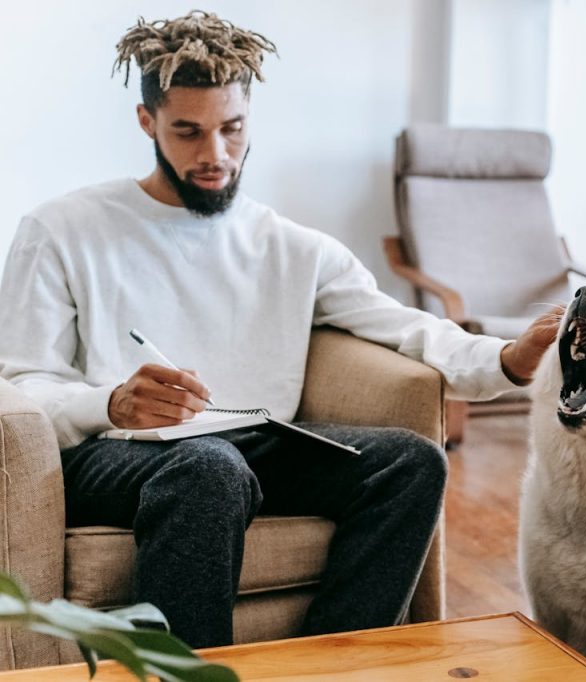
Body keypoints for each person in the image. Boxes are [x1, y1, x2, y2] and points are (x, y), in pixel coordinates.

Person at [0, 11, 558, 648]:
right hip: (114, 453)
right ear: (147, 122)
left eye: (232, 129)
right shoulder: (61, 230)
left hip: (252, 444)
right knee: (206, 467)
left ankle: (332, 664)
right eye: (188, 132)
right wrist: (111, 401)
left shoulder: (292, 247)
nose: (215, 155)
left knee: (410, 462)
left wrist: (512, 356)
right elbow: (23, 380)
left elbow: (404, 327)